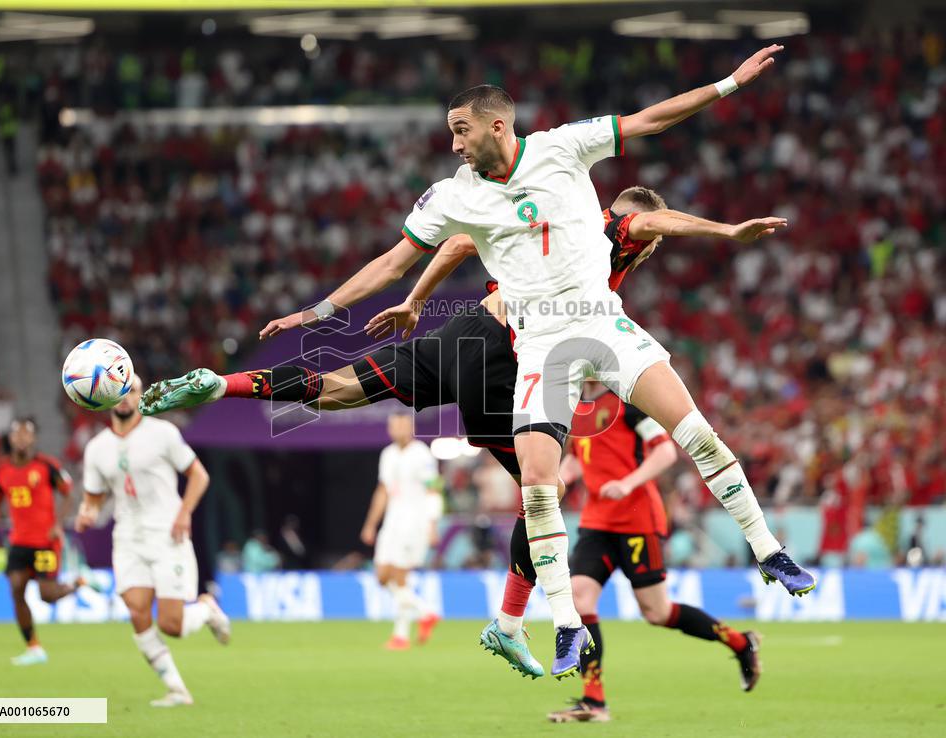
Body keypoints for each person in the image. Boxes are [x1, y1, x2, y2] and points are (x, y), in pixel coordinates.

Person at [250, 45, 813, 676]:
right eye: (449, 134)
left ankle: (768, 549)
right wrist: (322, 311)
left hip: (604, 326)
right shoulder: (453, 197)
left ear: (497, 124)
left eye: (460, 130)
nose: (454, 144)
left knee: (697, 433)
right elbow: (402, 259)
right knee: (540, 490)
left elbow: (650, 125)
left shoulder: (564, 149)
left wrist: (732, 84)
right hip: (541, 345)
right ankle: (565, 629)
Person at [141, 185, 795, 678]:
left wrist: (417, 301)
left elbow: (455, 243)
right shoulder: (611, 233)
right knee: (542, 489)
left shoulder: (537, 217)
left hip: (456, 335)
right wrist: (725, 231)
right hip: (500, 361)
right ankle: (512, 622)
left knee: (338, 388)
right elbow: (648, 219)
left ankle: (220, 383)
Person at [545, 381, 760, 724]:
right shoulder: (576, 411)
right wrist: (552, 480)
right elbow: (576, 462)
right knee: (580, 601)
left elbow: (665, 452)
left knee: (657, 612)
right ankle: (594, 701)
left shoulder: (630, 407)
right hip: (597, 522)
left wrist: (628, 483)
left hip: (636, 522)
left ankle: (740, 642)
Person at [74, 376, 230, 708]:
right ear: (107, 397)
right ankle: (177, 689)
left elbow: (199, 476)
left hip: (166, 533)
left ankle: (205, 608)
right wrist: (87, 513)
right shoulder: (97, 448)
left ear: (141, 394)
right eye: (120, 392)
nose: (126, 397)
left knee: (171, 625)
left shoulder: (163, 434)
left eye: (132, 390)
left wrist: (184, 512)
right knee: (137, 610)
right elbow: (93, 498)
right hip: (128, 537)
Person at [0, 417, 88, 666]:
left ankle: (80, 582)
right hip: (19, 541)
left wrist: (57, 524)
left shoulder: (46, 466)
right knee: (16, 587)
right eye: (16, 433)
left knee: (46, 595)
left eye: (26, 433)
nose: (20, 438)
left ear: (33, 438)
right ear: (10, 438)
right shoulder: (0, 471)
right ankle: (34, 647)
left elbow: (68, 494)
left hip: (45, 542)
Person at [360, 411, 443, 649]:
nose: (399, 430)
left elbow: (433, 489)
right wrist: (370, 524)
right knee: (382, 576)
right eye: (395, 426)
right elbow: (383, 490)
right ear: (389, 429)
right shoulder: (387, 454)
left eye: (403, 426)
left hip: (414, 521)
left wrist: (433, 523)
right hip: (392, 521)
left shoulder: (422, 454)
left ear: (411, 428)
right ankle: (425, 612)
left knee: (399, 575)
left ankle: (401, 635)